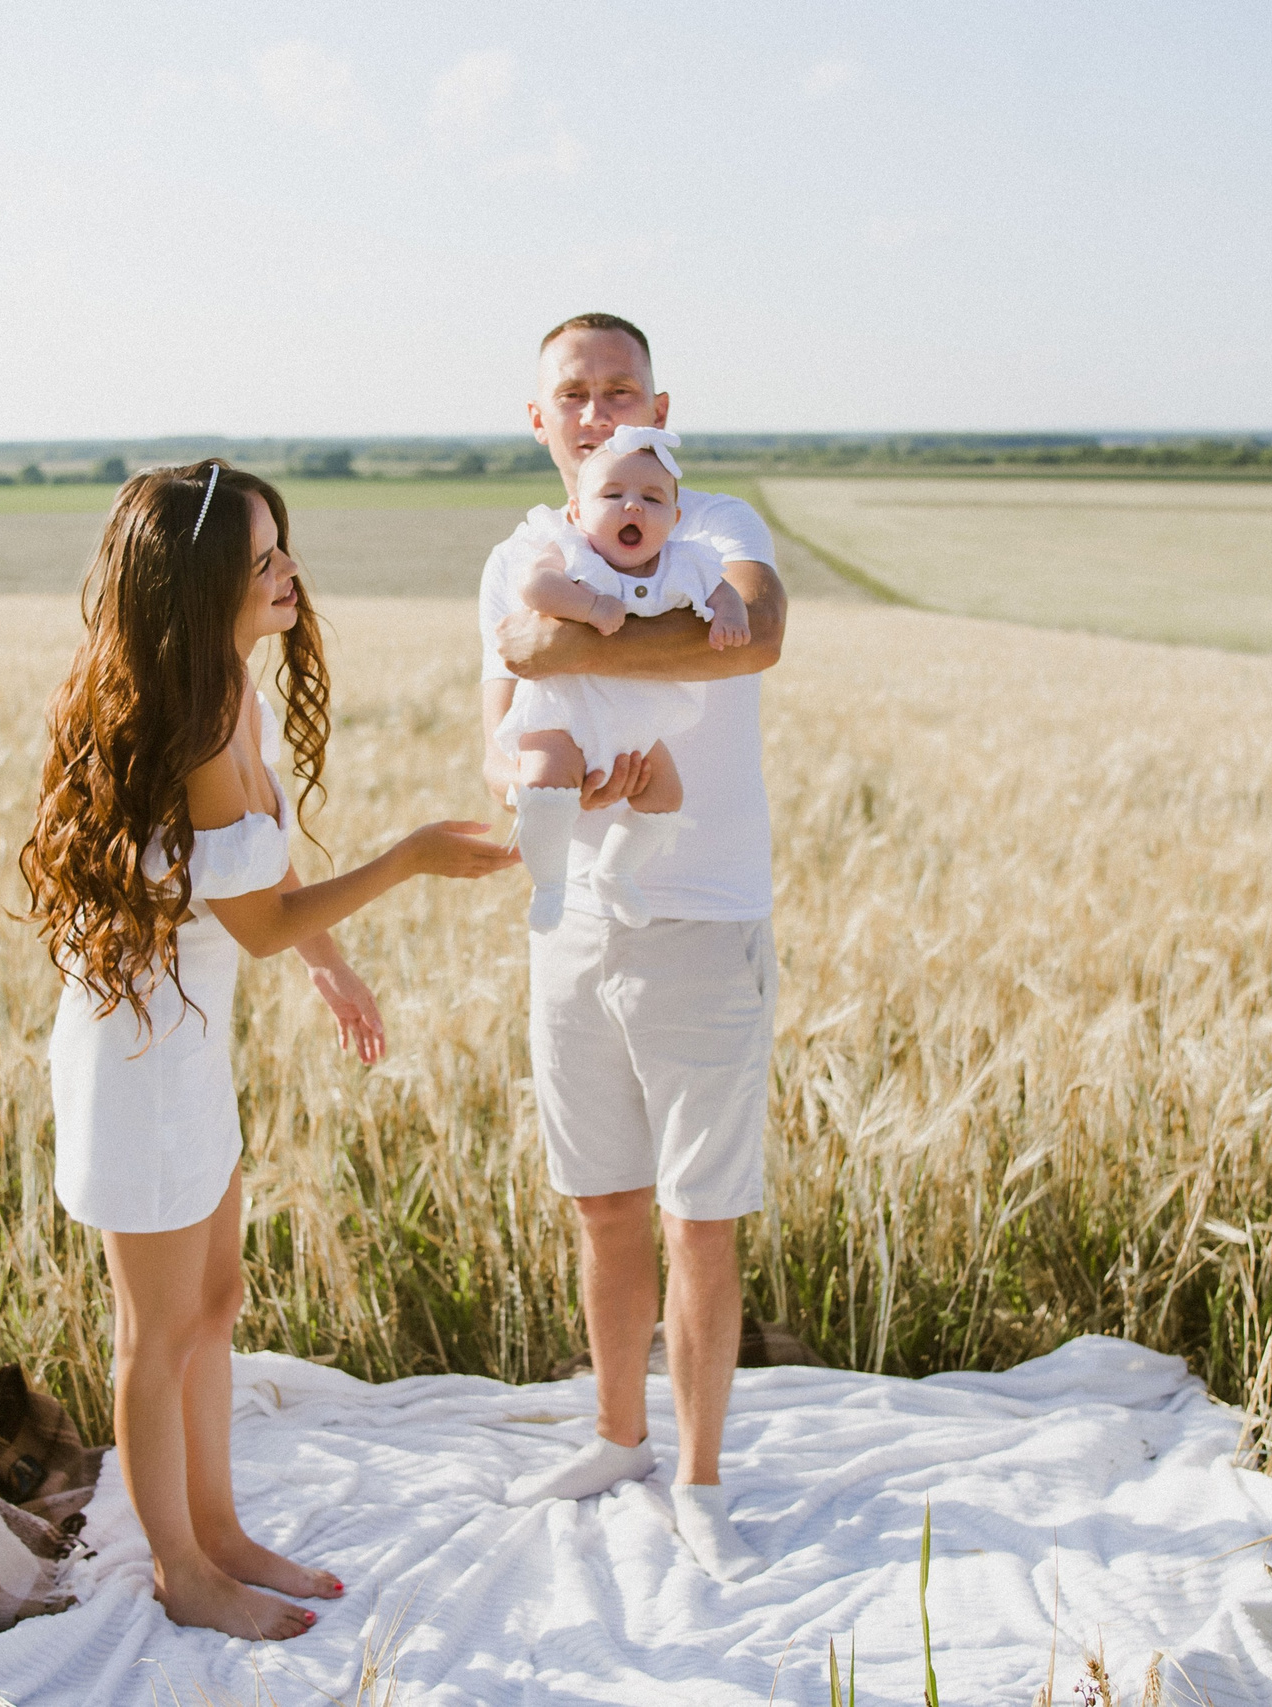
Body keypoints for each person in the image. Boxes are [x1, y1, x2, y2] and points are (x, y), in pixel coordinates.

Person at [23, 460, 516, 1640]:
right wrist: (402, 861)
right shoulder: (185, 724)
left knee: (217, 1302)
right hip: (134, 1062)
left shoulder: (226, 688)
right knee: (155, 1333)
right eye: (263, 557)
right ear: (200, 585)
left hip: (189, 1047)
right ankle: (179, 1572)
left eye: (283, 545)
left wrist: (331, 963)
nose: (290, 570)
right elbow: (254, 921)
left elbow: (261, 858)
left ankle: (223, 1533)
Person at [479, 315, 788, 1581]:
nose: (600, 412)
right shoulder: (514, 548)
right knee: (601, 1205)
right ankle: (617, 1437)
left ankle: (702, 1477)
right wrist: (546, 780)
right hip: (574, 921)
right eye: (575, 396)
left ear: (663, 403)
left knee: (698, 1217)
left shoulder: (713, 520)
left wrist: (573, 637)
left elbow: (756, 632)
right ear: (540, 421)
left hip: (705, 914)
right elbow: (498, 719)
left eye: (621, 391)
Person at [493, 424, 751, 931]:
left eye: (652, 499)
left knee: (664, 798)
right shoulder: (569, 553)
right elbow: (536, 588)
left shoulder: (683, 563)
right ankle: (549, 883)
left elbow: (723, 592)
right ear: (576, 512)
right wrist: (588, 605)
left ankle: (616, 871)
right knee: (545, 786)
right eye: (612, 495)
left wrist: (730, 616)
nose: (632, 507)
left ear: (674, 520)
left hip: (635, 723)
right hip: (564, 714)